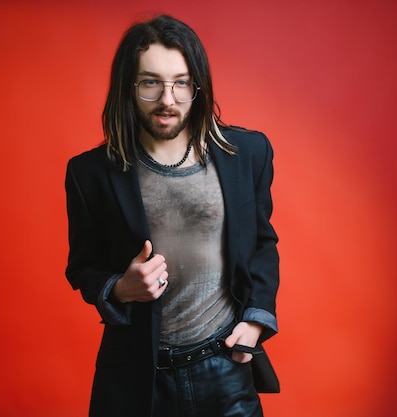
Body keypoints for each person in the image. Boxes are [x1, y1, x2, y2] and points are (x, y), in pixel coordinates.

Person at [64, 14, 279, 417]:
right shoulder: (90, 173)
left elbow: (262, 244)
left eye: (181, 83)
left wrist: (254, 325)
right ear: (129, 88)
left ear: (198, 87)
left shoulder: (247, 154)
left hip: (226, 369)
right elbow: (83, 267)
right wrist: (120, 288)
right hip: (136, 379)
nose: (168, 99)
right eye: (151, 83)